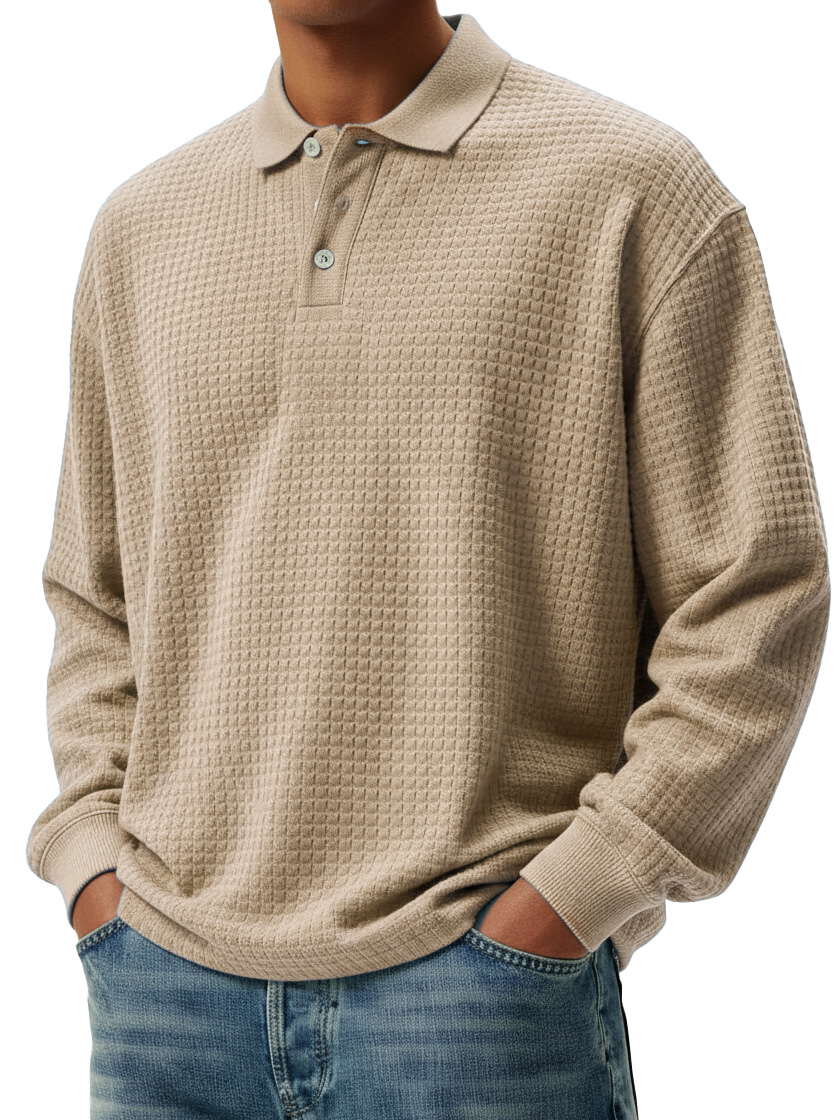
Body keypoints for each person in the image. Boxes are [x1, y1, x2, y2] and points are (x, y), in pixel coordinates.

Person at [26, 2, 830, 1117]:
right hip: (165, 994)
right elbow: (93, 593)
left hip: (480, 999)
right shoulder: (141, 227)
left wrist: (582, 889)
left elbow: (757, 586)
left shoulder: (630, 187)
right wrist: (92, 866)